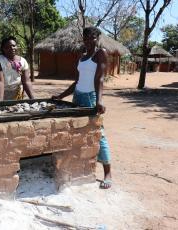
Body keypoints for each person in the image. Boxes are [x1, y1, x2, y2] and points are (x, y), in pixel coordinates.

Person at [52, 27, 112, 189]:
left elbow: (100, 79)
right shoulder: (82, 57)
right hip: (78, 96)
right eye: (86, 37)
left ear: (97, 38)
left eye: (92, 37)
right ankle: (78, 167)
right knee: (76, 131)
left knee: (100, 133)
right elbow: (77, 82)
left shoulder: (101, 53)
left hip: (91, 97)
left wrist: (99, 101)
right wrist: (61, 96)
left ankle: (107, 172)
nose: (88, 40)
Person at [0, 36, 34, 101]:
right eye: (8, 47)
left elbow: (26, 81)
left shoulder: (23, 61)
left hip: (17, 92)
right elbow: (0, 81)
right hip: (2, 92)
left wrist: (32, 99)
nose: (12, 48)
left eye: (14, 46)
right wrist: (0, 101)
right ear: (3, 49)